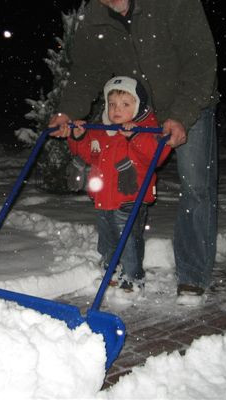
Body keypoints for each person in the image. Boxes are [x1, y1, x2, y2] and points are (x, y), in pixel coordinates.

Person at [49, 0, 219, 305]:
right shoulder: (94, 18)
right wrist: (69, 112)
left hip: (189, 101)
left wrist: (181, 116)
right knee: (122, 187)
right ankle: (123, 265)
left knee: (196, 188)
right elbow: (85, 74)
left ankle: (192, 276)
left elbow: (200, 61)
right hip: (135, 113)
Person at [67, 76, 170, 292]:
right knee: (107, 240)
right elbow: (90, 155)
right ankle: (110, 270)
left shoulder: (147, 130)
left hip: (131, 197)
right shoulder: (101, 131)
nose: (116, 109)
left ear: (139, 106)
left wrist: (135, 136)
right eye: (112, 104)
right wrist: (78, 138)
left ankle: (133, 278)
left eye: (125, 104)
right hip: (104, 198)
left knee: (129, 240)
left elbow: (156, 156)